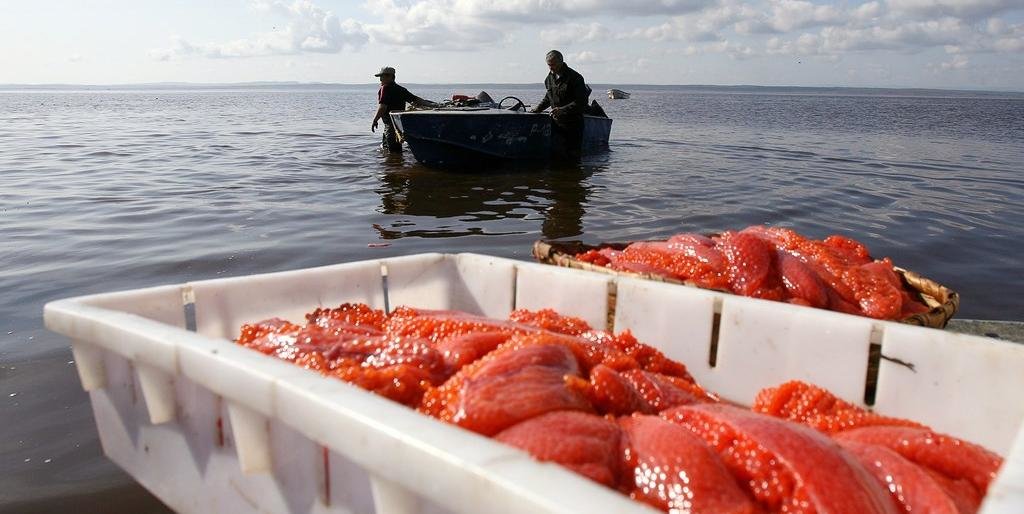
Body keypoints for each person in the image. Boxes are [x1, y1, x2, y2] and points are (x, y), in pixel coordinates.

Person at [529, 50, 590, 161]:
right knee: (556, 158)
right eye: (549, 65)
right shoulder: (549, 79)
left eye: (553, 64)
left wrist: (562, 110)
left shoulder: (575, 78)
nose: (551, 68)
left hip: (573, 125)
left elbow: (582, 102)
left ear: (561, 62)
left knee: (573, 158)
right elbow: (548, 98)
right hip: (556, 124)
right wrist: (538, 109)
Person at [371, 66, 437, 152]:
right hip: (399, 125)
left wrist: (375, 120)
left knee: (392, 152)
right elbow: (416, 100)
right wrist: (433, 105)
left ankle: (393, 164)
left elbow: (382, 107)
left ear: (390, 77)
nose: (380, 80)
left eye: (382, 77)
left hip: (390, 126)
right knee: (395, 150)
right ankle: (397, 164)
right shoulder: (401, 89)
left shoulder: (385, 88)